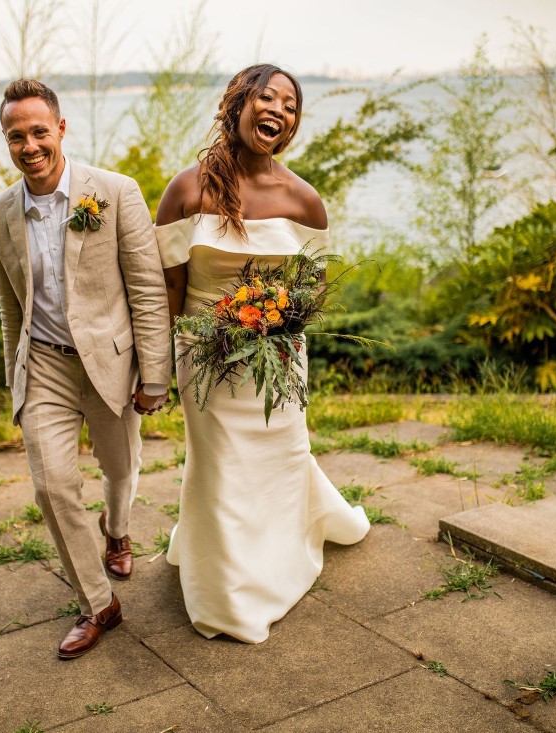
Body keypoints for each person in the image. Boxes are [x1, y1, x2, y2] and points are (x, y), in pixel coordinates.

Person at [154, 64, 370, 643]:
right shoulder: (186, 190)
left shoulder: (304, 201)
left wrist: (277, 319)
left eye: (290, 105)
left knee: (279, 459)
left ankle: (279, 555)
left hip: (279, 357)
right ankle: (227, 593)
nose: (278, 110)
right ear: (238, 104)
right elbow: (170, 288)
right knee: (220, 467)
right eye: (267, 97)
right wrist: (161, 364)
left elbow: (313, 292)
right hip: (204, 355)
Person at [0, 79, 172, 659]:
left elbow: (147, 288)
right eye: (16, 136)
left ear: (61, 129)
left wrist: (155, 375)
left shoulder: (114, 192)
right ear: (6, 141)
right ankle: (98, 603)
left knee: (120, 467)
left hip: (110, 362)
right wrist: (16, 380)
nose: (30, 146)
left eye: (39, 131)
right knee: (51, 486)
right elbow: (9, 304)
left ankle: (117, 530)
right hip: (43, 365)